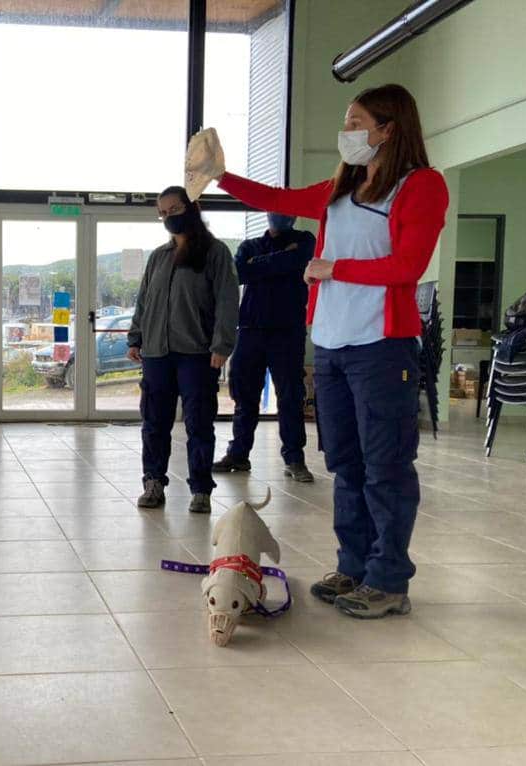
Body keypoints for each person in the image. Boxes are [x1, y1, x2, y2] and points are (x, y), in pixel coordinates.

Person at [191, 83, 449, 618]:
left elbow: (410, 266)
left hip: (382, 348)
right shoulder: (343, 186)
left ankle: (388, 579)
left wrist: (335, 269)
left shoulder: (420, 186)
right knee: (347, 465)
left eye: (357, 122)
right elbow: (280, 200)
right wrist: (221, 176)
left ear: (389, 129)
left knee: (386, 468)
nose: (347, 132)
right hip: (332, 346)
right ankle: (353, 566)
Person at [127, 187, 239, 514]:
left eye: (173, 209)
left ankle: (201, 489)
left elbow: (228, 302)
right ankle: (154, 482)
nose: (168, 218)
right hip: (157, 354)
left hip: (198, 354)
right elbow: (144, 300)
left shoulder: (215, 253)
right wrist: (136, 338)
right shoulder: (158, 257)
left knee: (199, 424)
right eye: (162, 213)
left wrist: (221, 345)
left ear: (192, 206)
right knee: (154, 422)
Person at [213, 213, 316, 482]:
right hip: (250, 331)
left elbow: (292, 261)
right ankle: (238, 454)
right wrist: (279, 260)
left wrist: (261, 265)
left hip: (287, 332)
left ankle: (294, 459)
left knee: (290, 397)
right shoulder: (249, 245)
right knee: (244, 397)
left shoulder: (305, 241)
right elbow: (241, 273)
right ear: (268, 214)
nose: (281, 216)